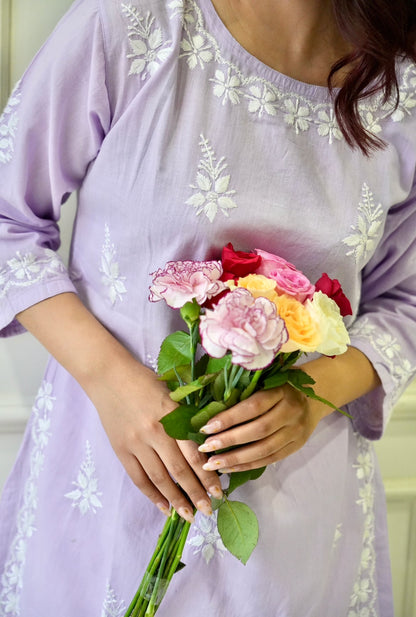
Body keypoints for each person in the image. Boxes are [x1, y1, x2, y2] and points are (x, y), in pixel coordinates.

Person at [0, 0, 415, 614]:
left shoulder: (400, 84)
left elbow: (404, 299)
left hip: (298, 535)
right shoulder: (129, 25)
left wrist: (310, 393)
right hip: (112, 493)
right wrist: (112, 382)